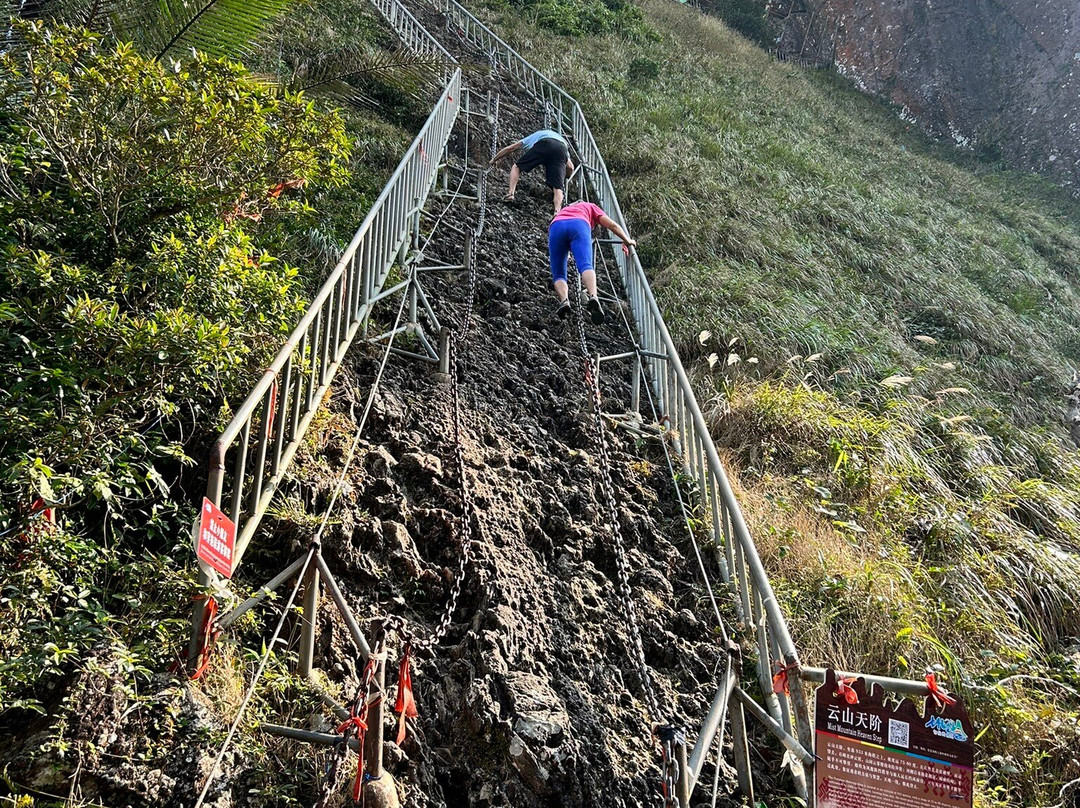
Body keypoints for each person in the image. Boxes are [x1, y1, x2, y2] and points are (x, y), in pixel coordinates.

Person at [548, 200, 636, 325]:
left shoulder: (564, 210)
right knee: (585, 265)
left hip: (555, 226)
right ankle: (593, 296)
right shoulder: (591, 207)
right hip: (579, 224)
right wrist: (627, 240)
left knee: (559, 274)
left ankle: (564, 301)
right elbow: (612, 225)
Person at [490, 128, 574, 212]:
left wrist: (494, 159)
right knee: (557, 187)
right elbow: (570, 167)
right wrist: (565, 176)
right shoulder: (563, 142)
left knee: (517, 167)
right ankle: (557, 212)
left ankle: (510, 194)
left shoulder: (536, 135)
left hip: (544, 143)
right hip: (560, 149)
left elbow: (511, 148)